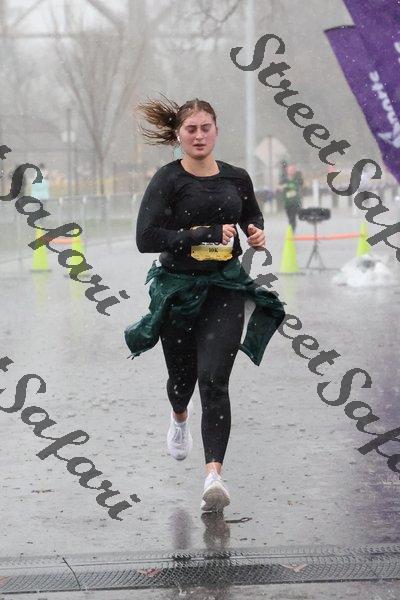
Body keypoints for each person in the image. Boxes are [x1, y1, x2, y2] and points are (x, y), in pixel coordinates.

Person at [125, 97, 285, 512]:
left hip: (224, 288)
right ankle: (179, 416)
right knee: (182, 381)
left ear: (216, 130)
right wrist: (200, 233)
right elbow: (146, 238)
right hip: (178, 290)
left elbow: (252, 216)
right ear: (179, 135)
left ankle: (214, 476)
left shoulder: (237, 177)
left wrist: (255, 232)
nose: (199, 136)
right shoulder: (168, 179)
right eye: (191, 129)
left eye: (205, 128)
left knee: (214, 380)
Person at [281, 163, 303, 232]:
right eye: (290, 170)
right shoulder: (284, 180)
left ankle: (292, 231)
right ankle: (291, 230)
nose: (292, 171)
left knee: (293, 218)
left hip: (296, 202)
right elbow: (278, 187)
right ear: (287, 170)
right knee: (290, 218)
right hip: (287, 203)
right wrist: (283, 187)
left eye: (293, 170)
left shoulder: (297, 179)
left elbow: (303, 185)